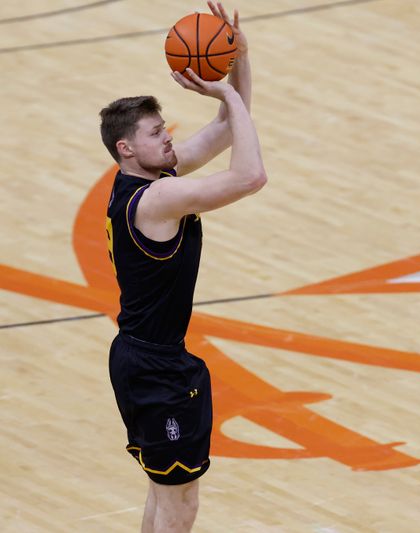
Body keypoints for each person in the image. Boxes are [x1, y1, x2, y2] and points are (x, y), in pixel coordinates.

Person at [100, 3, 266, 531]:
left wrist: (239, 59)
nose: (168, 137)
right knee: (180, 502)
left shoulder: (148, 181)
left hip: (148, 357)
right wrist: (230, 94)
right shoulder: (157, 199)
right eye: (155, 133)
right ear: (126, 148)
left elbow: (224, 128)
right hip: (154, 368)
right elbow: (250, 176)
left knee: (162, 493)